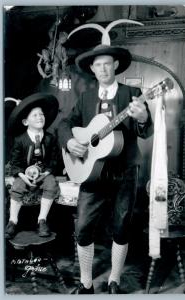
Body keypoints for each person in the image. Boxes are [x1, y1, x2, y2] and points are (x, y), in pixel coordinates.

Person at [57, 44, 154, 294]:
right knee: (83, 229)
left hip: (124, 172)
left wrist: (142, 118)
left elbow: (145, 131)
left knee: (121, 226)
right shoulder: (86, 97)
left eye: (107, 64)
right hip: (92, 172)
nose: (103, 68)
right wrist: (69, 141)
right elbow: (66, 123)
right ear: (92, 68)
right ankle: (86, 283)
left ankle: (114, 279)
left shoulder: (133, 92)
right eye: (97, 64)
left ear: (116, 66)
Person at [5, 93, 59, 239]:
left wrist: (45, 173)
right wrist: (23, 176)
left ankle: (42, 220)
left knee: (52, 184)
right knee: (17, 187)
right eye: (34, 115)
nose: (40, 117)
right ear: (25, 122)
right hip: (24, 175)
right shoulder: (20, 140)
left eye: (41, 114)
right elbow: (15, 162)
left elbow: (54, 160)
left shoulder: (50, 138)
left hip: (43, 174)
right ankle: (12, 221)